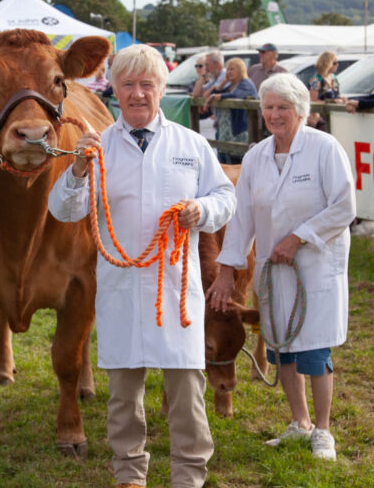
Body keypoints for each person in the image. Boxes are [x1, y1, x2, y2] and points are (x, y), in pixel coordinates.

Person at [48, 44, 236, 488]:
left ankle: (188, 473)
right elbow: (63, 210)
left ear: (162, 89)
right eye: (127, 85)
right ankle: (129, 472)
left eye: (146, 85)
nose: (137, 94)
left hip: (175, 289)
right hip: (122, 287)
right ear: (113, 90)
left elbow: (226, 197)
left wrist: (201, 211)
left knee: (188, 392)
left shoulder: (190, 145)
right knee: (123, 394)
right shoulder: (96, 147)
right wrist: (76, 172)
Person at [206, 72, 356, 462]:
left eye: (282, 108)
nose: (274, 115)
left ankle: (323, 430)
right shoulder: (256, 155)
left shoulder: (325, 149)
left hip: (316, 266)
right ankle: (299, 422)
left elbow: (344, 207)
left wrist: (299, 237)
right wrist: (226, 270)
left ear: (301, 111)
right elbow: (241, 221)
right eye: (268, 107)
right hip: (274, 271)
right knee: (282, 348)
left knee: (314, 351)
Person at [208, 57, 258, 145]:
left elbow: (236, 96)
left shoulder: (246, 83)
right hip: (224, 129)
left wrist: (220, 96)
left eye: (232, 69)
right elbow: (214, 94)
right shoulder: (231, 85)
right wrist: (223, 82)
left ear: (240, 70)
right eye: (227, 69)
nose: (229, 72)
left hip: (239, 130)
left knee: (237, 156)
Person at [191, 51, 225, 139]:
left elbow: (206, 95)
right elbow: (195, 94)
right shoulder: (215, 78)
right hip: (220, 123)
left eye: (207, 65)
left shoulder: (224, 76)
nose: (206, 68)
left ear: (217, 64)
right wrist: (203, 76)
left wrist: (205, 95)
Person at [306, 51, 340, 129]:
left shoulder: (334, 78)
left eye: (338, 62)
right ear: (327, 63)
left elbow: (337, 95)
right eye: (335, 63)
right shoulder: (316, 80)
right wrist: (332, 102)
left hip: (334, 116)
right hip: (320, 119)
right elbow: (313, 101)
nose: (337, 65)